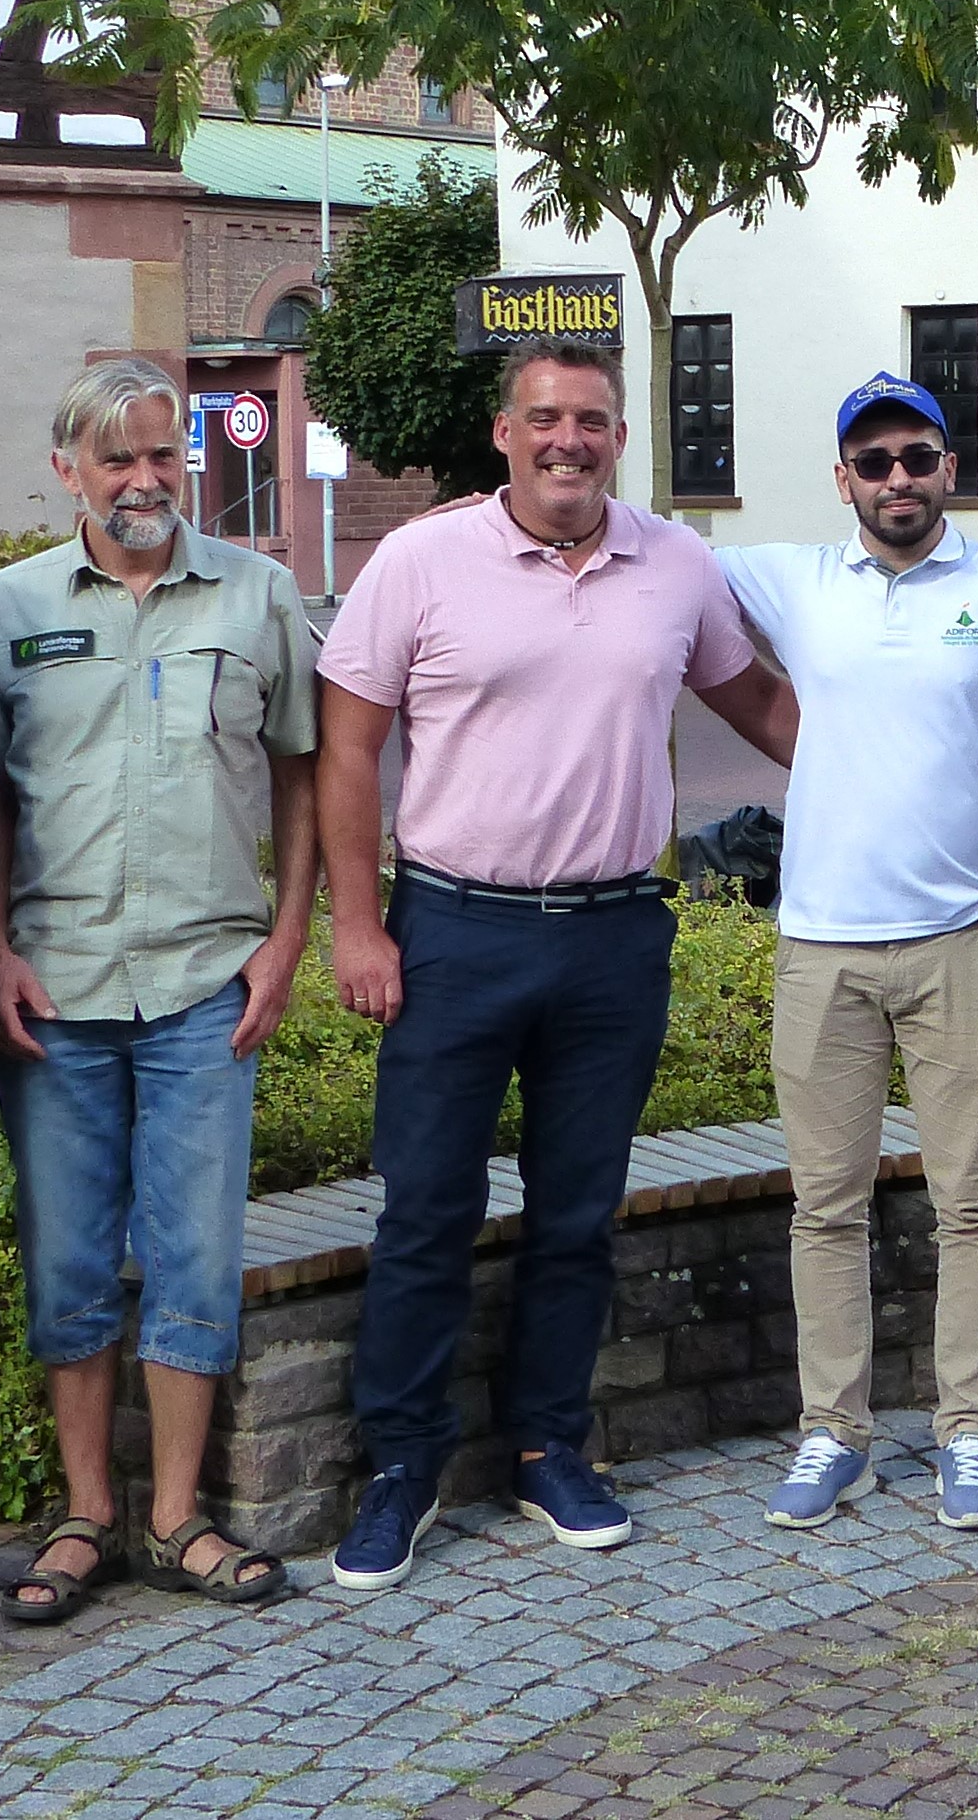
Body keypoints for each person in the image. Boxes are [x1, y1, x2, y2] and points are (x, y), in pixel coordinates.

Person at [314, 339, 796, 1589]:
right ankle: (404, 1466)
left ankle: (546, 1444)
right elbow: (348, 751)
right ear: (502, 432)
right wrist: (355, 924)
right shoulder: (422, 558)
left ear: (618, 436)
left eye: (590, 419)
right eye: (544, 419)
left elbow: (769, 714)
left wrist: (934, 735)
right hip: (455, 931)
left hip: (612, 936)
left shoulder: (674, 562)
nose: (567, 439)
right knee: (426, 1209)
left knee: (575, 1216)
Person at [0, 360, 321, 1620]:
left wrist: (286, 938)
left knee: (194, 1252)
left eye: (166, 455)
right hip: (53, 989)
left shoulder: (260, 594)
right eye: (117, 459)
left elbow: (301, 774)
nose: (146, 480)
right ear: (68, 471)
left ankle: (175, 1516)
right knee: (66, 1254)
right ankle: (85, 1514)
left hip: (204, 984)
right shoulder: (4, 610)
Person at [711, 374, 978, 1533]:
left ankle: (969, 1430)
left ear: (948, 465)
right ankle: (835, 1430)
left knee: (973, 1201)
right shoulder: (789, 580)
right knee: (826, 1205)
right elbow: (642, 554)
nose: (897, 478)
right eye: (874, 462)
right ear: (842, 477)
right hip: (821, 943)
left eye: (916, 456)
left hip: (960, 937)